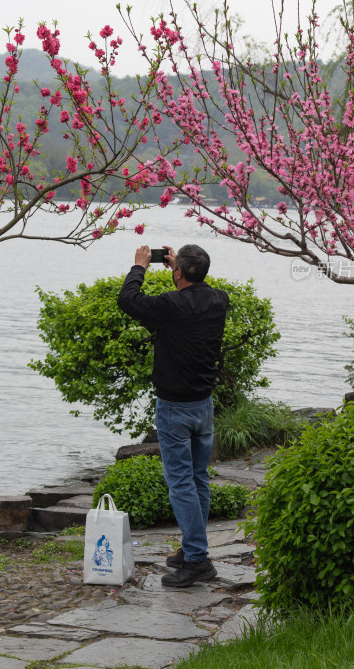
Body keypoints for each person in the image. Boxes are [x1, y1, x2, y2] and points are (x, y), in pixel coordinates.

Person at [117, 243, 229, 588]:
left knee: (181, 483)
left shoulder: (170, 305)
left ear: (178, 272)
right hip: (204, 404)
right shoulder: (219, 299)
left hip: (174, 408)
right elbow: (193, 295)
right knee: (198, 478)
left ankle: (197, 560)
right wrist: (178, 269)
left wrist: (140, 267)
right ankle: (191, 547)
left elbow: (128, 301)